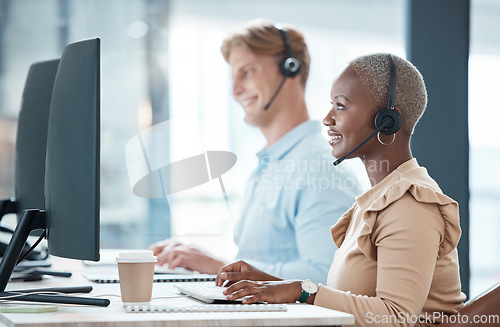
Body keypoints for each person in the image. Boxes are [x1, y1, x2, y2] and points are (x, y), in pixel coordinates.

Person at [215, 53, 466, 326]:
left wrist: (302, 291)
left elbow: (396, 317)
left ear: (387, 120)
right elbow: (353, 298)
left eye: (340, 106)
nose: (327, 119)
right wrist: (270, 281)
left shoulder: (410, 204)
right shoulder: (377, 199)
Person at [148, 20, 367, 284]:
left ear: (290, 70)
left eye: (247, 72)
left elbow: (327, 276)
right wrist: (199, 260)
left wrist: (219, 266)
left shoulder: (319, 167)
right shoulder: (273, 164)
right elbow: (267, 259)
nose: (235, 90)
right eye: (233, 77)